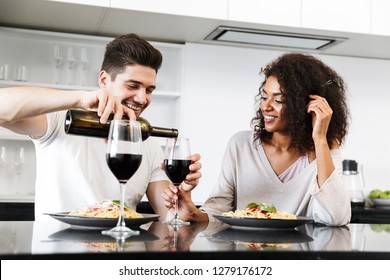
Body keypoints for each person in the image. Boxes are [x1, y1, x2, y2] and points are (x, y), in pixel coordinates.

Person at [0, 33, 201, 220]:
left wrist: (183, 198)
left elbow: (170, 216)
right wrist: (79, 98)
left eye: (149, 90)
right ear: (104, 80)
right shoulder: (61, 121)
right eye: (132, 86)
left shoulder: (150, 147)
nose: (142, 98)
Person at [162, 52, 351, 226]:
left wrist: (320, 139)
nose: (266, 107)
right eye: (264, 97)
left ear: (306, 105)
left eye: (278, 100)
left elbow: (336, 218)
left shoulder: (323, 151)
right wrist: (194, 214)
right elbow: (219, 211)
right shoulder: (241, 145)